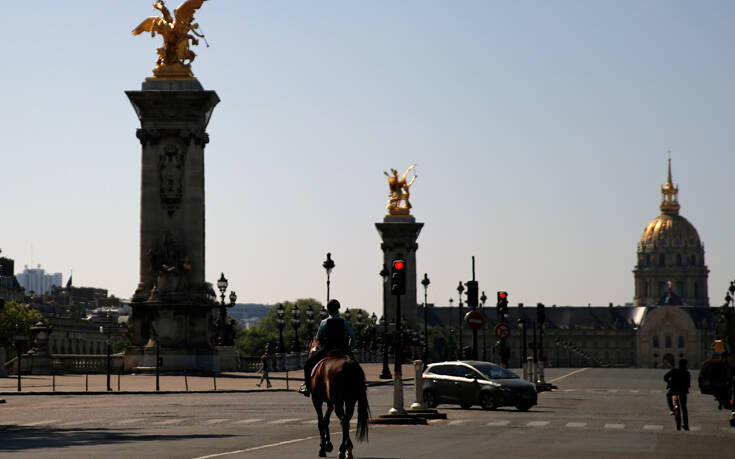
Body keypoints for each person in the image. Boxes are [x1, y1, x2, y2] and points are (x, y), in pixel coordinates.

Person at [298, 299, 356, 397]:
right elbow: (353, 337)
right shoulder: (344, 322)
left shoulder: (324, 322)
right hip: (342, 349)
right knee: (355, 365)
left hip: (327, 349)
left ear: (328, 310)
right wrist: (349, 347)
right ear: (338, 310)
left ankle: (308, 388)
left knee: (308, 364)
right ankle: (357, 386)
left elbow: (318, 338)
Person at [664, 358, 691, 430]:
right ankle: (686, 425)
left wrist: (669, 382)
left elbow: (665, 377)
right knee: (684, 408)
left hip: (674, 392)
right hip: (683, 393)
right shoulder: (687, 373)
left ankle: (672, 410)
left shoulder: (674, 371)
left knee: (674, 404)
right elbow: (688, 384)